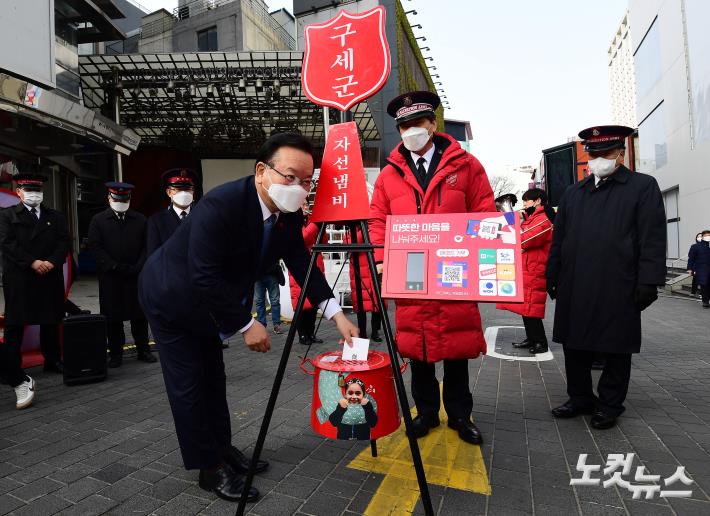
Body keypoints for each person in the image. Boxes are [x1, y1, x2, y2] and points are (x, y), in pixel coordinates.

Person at [138, 133, 359, 503]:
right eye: (289, 177)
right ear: (262, 171)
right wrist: (246, 324)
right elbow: (203, 274)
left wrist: (336, 313)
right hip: (170, 297)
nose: (298, 188)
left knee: (213, 376)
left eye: (306, 181)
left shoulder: (285, 214)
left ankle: (222, 449)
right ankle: (208, 468)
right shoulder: (222, 204)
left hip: (208, 301)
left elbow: (302, 263)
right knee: (189, 383)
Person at [370, 91, 495, 445]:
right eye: (404, 125)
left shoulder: (465, 166)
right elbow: (378, 219)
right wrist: (381, 258)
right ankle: (425, 412)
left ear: (432, 124)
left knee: (456, 346)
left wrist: (484, 254)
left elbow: (485, 212)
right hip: (409, 271)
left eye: (417, 123)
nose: (411, 130)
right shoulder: (389, 175)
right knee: (418, 345)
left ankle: (459, 415)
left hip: (455, 269)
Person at [547, 125, 666, 430]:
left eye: (606, 153)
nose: (599, 159)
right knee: (574, 345)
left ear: (621, 154)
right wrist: (553, 273)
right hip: (575, 283)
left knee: (615, 346)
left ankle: (610, 403)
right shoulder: (574, 193)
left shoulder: (642, 186)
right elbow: (559, 239)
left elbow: (652, 237)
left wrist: (648, 281)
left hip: (619, 282)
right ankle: (580, 397)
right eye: (593, 153)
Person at [0, 173, 70, 407]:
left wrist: (51, 261)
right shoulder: (7, 215)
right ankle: (13, 367)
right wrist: (32, 262)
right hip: (20, 276)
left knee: (51, 318)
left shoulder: (55, 217)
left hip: (48, 274)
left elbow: (64, 242)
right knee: (15, 323)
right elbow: (7, 244)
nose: (33, 194)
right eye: (28, 190)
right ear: (18, 192)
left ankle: (52, 359)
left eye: (37, 190)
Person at [88, 182, 156, 368]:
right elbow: (95, 246)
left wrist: (138, 266)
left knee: (139, 316)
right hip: (111, 276)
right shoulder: (99, 220)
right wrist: (113, 266)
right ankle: (116, 353)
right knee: (113, 317)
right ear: (109, 198)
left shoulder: (140, 219)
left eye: (124, 198)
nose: (120, 201)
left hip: (136, 275)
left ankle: (143, 349)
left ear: (129, 199)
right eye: (117, 198)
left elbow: (147, 245)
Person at [497, 188, 554, 354]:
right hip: (527, 268)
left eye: (526, 201)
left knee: (532, 307)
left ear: (537, 201)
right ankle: (531, 338)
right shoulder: (532, 219)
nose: (524, 205)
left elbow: (524, 240)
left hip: (535, 269)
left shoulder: (543, 220)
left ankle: (540, 343)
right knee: (526, 307)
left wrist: (512, 221)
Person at [289, 201, 327, 345]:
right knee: (301, 305)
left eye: (306, 204)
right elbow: (301, 238)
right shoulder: (290, 220)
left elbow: (323, 241)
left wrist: (322, 227)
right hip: (299, 266)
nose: (305, 207)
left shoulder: (311, 220)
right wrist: (315, 225)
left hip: (316, 266)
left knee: (313, 303)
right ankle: (302, 335)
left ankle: (311, 333)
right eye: (301, 204)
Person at [147, 168, 196, 255]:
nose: (184, 193)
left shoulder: (202, 216)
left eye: (188, 189)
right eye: (178, 189)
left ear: (193, 192)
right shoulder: (156, 221)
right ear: (169, 192)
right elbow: (154, 255)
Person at [254, 262, 285, 334]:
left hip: (269, 273)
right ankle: (268, 325)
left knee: (263, 302)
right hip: (262, 275)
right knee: (271, 302)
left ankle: (274, 325)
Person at [688, 230, 710, 308]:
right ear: (703, 236)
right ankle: (705, 302)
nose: (708, 237)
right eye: (706, 235)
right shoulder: (695, 246)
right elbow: (691, 258)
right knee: (704, 285)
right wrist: (690, 269)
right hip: (701, 269)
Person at [690, 232, 703, 297]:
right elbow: (691, 256)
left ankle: (701, 293)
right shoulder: (694, 246)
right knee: (695, 279)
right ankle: (693, 292)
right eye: (698, 236)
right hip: (696, 266)